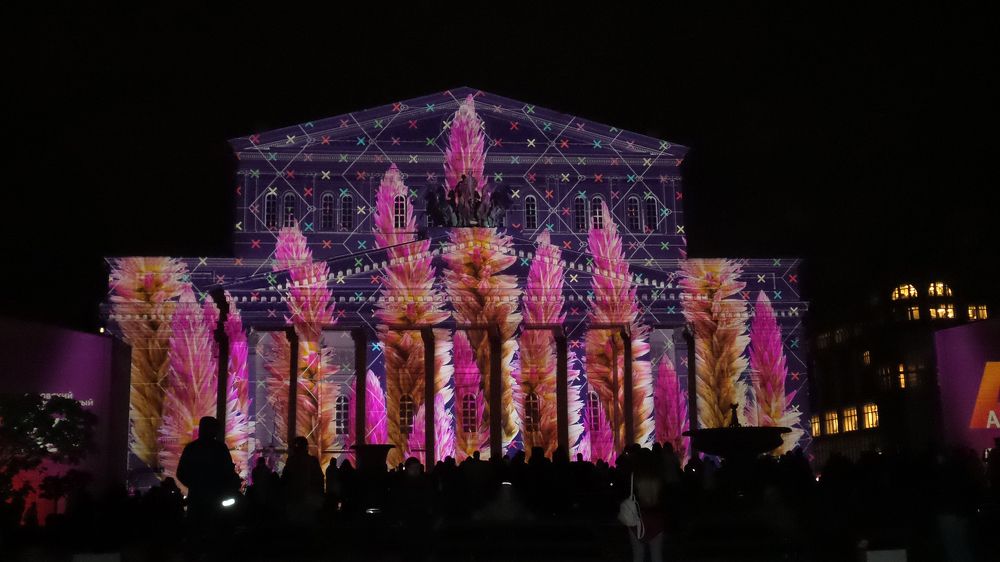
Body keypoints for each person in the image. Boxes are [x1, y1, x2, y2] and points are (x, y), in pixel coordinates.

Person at [175, 416, 239, 523]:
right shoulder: (220, 448)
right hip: (216, 497)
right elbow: (228, 470)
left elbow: (181, 473)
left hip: (197, 498)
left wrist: (195, 485)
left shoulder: (191, 448)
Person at [281, 436, 324, 525]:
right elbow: (319, 480)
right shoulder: (312, 461)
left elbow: (285, 478)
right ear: (306, 447)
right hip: (308, 500)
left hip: (295, 500)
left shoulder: (291, 461)